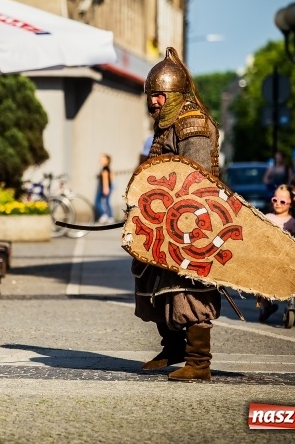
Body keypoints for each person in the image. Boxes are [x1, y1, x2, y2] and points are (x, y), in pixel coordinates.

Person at [133, 47, 221, 382]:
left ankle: (199, 362)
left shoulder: (191, 125)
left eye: (160, 95)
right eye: (151, 95)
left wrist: (180, 216)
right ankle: (172, 346)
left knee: (188, 289)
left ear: (175, 94)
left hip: (191, 221)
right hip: (164, 218)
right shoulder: (167, 123)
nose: (154, 101)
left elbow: (195, 178)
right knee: (152, 278)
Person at [257, 184, 295, 322]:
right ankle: (266, 305)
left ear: (290, 203)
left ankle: (276, 304)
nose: (278, 204)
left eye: (283, 201)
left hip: (285, 257)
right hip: (268, 256)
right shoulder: (268, 217)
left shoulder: (292, 222)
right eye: (275, 200)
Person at [95, 153, 113, 223]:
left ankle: (104, 215)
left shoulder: (105, 169)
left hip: (103, 188)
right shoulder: (108, 168)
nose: (101, 160)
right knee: (107, 202)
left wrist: (106, 188)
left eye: (103, 159)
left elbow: (105, 179)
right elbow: (111, 177)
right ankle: (110, 217)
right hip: (108, 187)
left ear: (107, 160)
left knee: (98, 202)